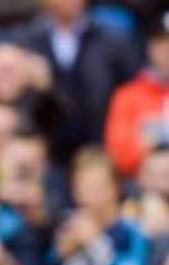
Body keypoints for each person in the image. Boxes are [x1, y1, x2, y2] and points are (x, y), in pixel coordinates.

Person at [16, 0, 141, 166]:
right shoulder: (26, 42)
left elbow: (134, 90)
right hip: (47, 153)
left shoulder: (113, 41)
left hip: (102, 149)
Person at [104, 16, 169, 178]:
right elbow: (119, 154)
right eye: (162, 43)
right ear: (150, 47)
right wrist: (147, 146)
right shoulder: (128, 96)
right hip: (142, 184)